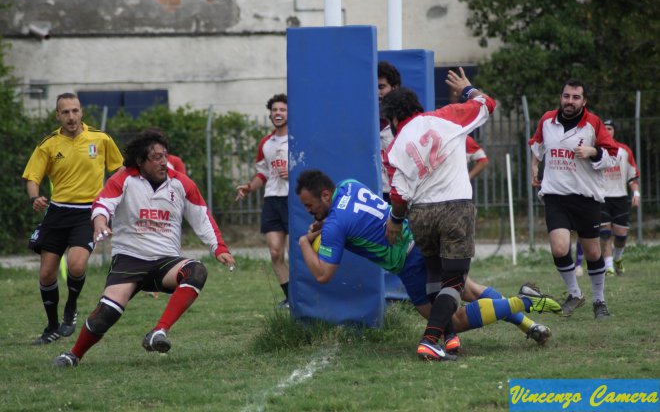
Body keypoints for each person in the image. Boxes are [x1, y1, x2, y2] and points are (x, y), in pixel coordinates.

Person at [296, 170, 559, 355]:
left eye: (310, 205)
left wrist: (304, 244)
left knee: (450, 319)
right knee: (469, 289)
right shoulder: (349, 184)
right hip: (423, 239)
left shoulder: (333, 226)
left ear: (326, 195)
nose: (309, 211)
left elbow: (323, 275)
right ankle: (530, 325)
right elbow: (355, 219)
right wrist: (325, 225)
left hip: (410, 264)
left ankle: (525, 300)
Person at [52, 130, 235, 367]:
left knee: (196, 271)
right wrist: (99, 221)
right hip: (129, 259)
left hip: (165, 262)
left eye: (165, 156)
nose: (163, 162)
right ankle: (73, 355)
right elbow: (103, 204)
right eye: (156, 157)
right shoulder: (124, 178)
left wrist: (218, 247)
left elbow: (201, 215)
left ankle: (158, 332)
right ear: (140, 161)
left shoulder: (180, 182)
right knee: (106, 314)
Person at [382, 68, 497, 361]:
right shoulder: (446, 116)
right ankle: (430, 339)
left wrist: (396, 220)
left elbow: (399, 193)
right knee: (455, 280)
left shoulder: (395, 146)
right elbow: (488, 104)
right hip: (454, 207)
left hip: (420, 213)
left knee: (435, 274)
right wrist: (469, 89)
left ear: (395, 118)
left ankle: (450, 337)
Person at [23, 92, 124, 346]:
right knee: (47, 274)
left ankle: (71, 307)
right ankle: (52, 327)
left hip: (88, 213)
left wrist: (117, 195)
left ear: (81, 113)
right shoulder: (48, 144)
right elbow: (33, 177)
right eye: (65, 112)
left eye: (75, 111)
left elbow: (120, 170)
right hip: (57, 213)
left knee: (77, 266)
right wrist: (35, 197)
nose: (71, 117)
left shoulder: (100, 139)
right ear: (58, 115)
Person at [529, 79, 618, 320]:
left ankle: (599, 300)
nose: (570, 101)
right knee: (559, 247)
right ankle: (574, 293)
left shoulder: (593, 123)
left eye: (576, 97)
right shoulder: (547, 120)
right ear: (561, 97)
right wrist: (534, 168)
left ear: (584, 101)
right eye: (566, 96)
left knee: (592, 252)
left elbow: (612, 156)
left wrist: (593, 152)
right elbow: (536, 146)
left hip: (585, 196)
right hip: (555, 195)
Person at [236, 94, 290, 308]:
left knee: (299, 251)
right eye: (275, 110)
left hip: (293, 200)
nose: (278, 113)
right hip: (272, 199)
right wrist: (249, 188)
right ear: (270, 114)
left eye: (283, 110)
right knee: (276, 252)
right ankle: (291, 298)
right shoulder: (265, 143)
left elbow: (310, 167)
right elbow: (263, 174)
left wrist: (294, 172)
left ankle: (308, 296)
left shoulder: (298, 139)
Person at [599, 119, 640, 275]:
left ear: (614, 131)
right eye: (604, 129)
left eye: (609, 128)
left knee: (621, 235)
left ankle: (617, 259)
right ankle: (608, 267)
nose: (607, 131)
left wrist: (636, 193)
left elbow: (632, 176)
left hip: (620, 197)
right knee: (605, 233)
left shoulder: (624, 150)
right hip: (602, 197)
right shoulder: (596, 151)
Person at [377, 61, 401, 203]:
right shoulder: (363, 121)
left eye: (381, 87)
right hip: (371, 192)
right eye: (373, 87)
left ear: (394, 88)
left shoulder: (403, 123)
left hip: (395, 194)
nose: (377, 93)